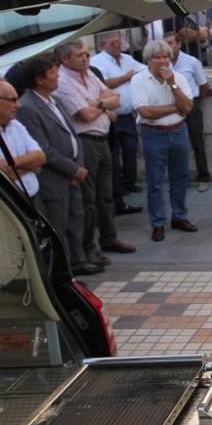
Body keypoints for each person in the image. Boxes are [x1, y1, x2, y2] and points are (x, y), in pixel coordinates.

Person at [16, 54, 100, 276]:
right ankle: (63, 271)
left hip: (72, 173)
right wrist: (73, 170)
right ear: (39, 79)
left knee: (76, 218)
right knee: (58, 226)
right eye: (53, 73)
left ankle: (78, 261)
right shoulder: (27, 107)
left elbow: (74, 136)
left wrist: (78, 165)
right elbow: (43, 148)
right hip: (54, 178)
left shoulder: (56, 101)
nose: (58, 77)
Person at [55, 40, 137, 266]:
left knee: (106, 194)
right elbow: (85, 115)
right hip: (86, 141)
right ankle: (88, 247)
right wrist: (104, 106)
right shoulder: (63, 82)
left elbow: (116, 100)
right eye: (79, 55)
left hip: (103, 139)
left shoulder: (90, 74)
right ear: (65, 59)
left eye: (86, 54)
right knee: (88, 199)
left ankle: (109, 238)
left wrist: (98, 103)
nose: (85, 58)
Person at [130, 40, 199, 242]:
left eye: (165, 57)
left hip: (178, 131)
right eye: (157, 57)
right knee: (155, 182)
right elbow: (145, 111)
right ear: (148, 60)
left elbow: (187, 108)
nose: (162, 61)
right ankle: (157, 223)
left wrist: (173, 85)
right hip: (153, 133)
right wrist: (174, 108)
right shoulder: (139, 80)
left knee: (180, 178)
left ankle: (180, 216)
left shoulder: (178, 79)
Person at [90, 31, 145, 214]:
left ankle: (129, 183)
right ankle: (118, 189)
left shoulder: (127, 59)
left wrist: (130, 76)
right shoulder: (97, 62)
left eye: (118, 41)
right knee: (114, 156)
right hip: (111, 118)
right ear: (103, 45)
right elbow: (104, 84)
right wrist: (125, 77)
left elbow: (142, 70)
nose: (117, 45)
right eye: (112, 43)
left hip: (128, 115)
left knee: (131, 150)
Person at [163, 31, 211, 193]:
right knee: (173, 144)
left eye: (171, 43)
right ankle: (178, 179)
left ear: (179, 44)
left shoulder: (192, 62)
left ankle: (203, 177)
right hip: (172, 106)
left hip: (191, 104)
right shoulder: (162, 64)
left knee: (197, 141)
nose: (168, 47)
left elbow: (204, 85)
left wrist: (195, 103)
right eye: (166, 44)